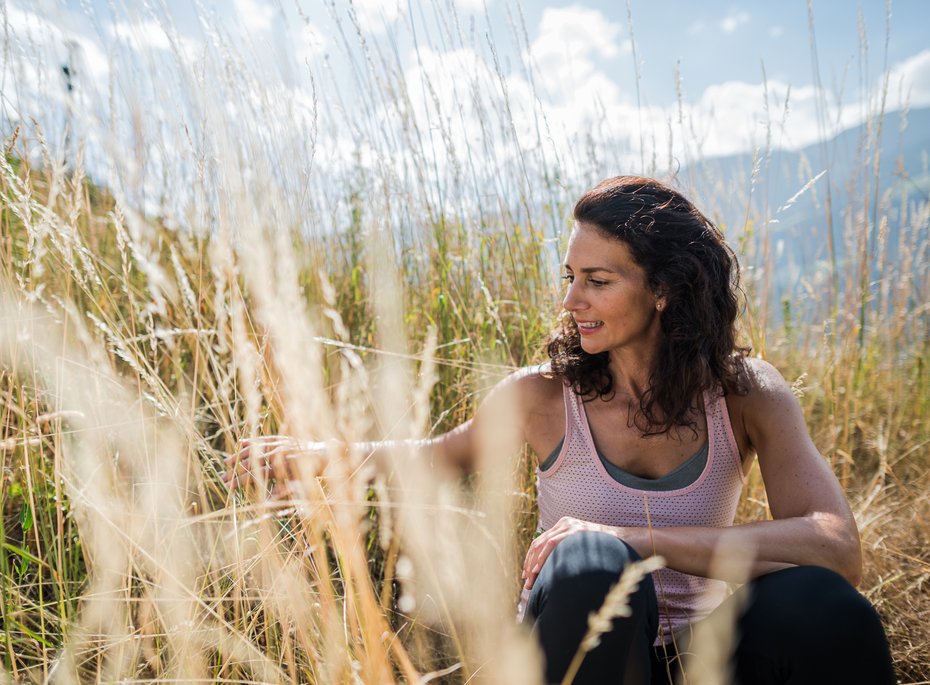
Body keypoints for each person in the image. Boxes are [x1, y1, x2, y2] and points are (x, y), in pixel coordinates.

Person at [224, 176, 895, 684]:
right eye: (570, 277)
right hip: (581, 655)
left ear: (665, 288)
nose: (570, 300)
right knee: (590, 563)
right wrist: (316, 456)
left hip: (702, 659)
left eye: (597, 280)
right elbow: (437, 455)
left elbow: (836, 546)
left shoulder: (746, 392)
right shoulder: (543, 395)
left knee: (817, 600)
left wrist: (635, 536)